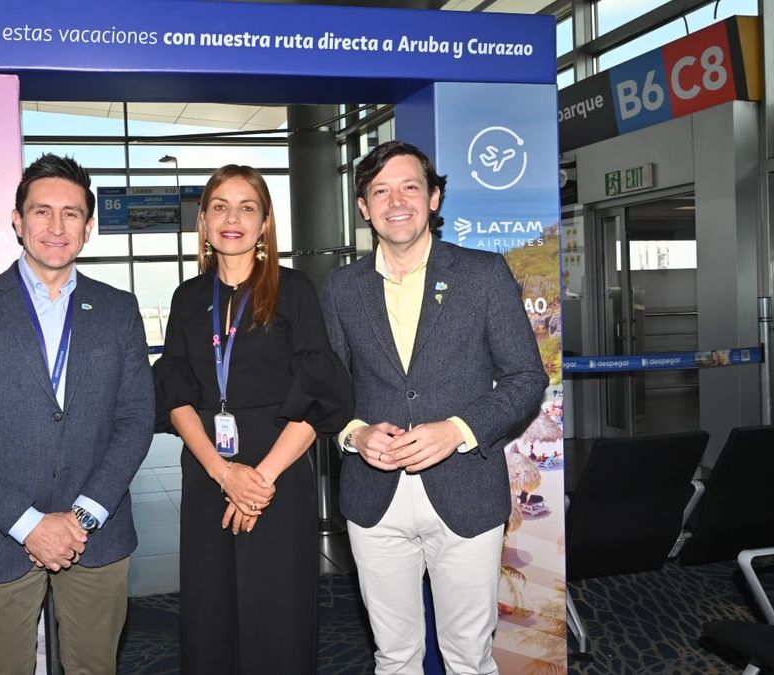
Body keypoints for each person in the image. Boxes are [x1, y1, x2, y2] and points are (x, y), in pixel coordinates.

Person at [321, 141, 547, 675]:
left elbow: (526, 377)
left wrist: (460, 429)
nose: (395, 201)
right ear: (363, 206)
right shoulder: (341, 287)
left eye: (409, 187)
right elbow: (328, 389)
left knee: (469, 656)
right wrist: (354, 432)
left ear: (435, 197)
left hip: (466, 487)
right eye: (380, 191)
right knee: (394, 656)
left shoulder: (484, 274)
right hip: (374, 497)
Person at [0, 153, 154, 674]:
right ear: (17, 220)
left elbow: (137, 418)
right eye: (42, 211)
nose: (56, 227)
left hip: (96, 533)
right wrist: (29, 524)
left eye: (71, 213)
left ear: (89, 226)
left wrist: (82, 516)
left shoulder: (118, 309)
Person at [153, 164, 353, 675]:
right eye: (219, 206)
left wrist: (258, 480)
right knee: (209, 611)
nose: (232, 218)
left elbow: (318, 396)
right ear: (203, 220)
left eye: (247, 207)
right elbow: (176, 394)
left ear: (265, 222)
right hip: (206, 469)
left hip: (278, 469)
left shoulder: (295, 289)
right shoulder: (187, 297)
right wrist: (225, 475)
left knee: (277, 614)